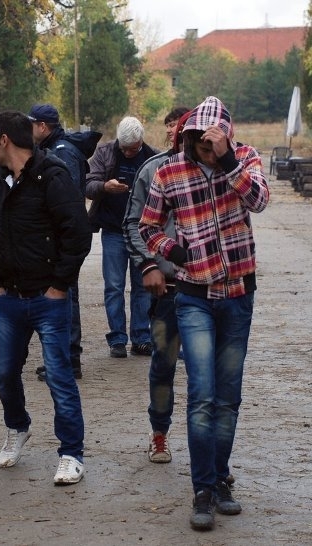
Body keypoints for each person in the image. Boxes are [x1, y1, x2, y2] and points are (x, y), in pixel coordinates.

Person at [139, 96, 269, 531]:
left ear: (228, 137)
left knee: (228, 396)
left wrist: (228, 160)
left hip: (237, 295)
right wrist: (170, 252)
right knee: (203, 394)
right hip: (193, 295)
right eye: (199, 140)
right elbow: (148, 226)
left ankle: (219, 479)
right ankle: (202, 488)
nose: (205, 148)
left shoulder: (245, 158)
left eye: (213, 141)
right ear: (189, 135)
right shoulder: (170, 170)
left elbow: (259, 200)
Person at [0, 111, 91, 484]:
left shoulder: (53, 176)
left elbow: (78, 234)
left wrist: (58, 285)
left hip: (48, 299)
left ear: (4, 140)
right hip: (7, 299)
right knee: (5, 374)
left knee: (60, 376)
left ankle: (71, 453)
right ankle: (17, 427)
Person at [122, 107, 190, 464]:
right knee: (163, 365)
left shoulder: (219, 171)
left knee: (204, 373)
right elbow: (133, 223)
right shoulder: (153, 170)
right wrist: (149, 264)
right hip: (169, 291)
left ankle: (206, 448)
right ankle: (159, 434)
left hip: (210, 290)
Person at [29, 104, 102, 379]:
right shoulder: (56, 149)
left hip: (63, 238)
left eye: (31, 124)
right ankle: (62, 358)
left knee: (64, 296)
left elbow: (65, 199)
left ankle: (67, 360)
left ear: (42, 126)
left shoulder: (62, 153)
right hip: (59, 236)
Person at [86, 116, 158, 358]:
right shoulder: (105, 152)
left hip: (143, 233)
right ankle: (117, 339)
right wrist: (105, 186)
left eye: (133, 149)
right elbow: (88, 183)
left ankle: (141, 338)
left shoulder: (152, 157)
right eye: (124, 148)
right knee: (114, 287)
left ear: (141, 142)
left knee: (142, 287)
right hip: (113, 231)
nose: (128, 153)